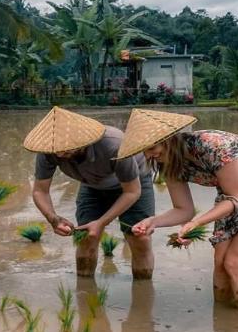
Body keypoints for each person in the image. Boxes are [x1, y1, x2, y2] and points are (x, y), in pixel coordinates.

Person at [121, 109, 238, 310]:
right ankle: (223, 328)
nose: (149, 155)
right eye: (143, 150)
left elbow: (236, 197)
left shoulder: (212, 145)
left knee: (236, 262)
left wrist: (197, 222)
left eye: (151, 147)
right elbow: (183, 210)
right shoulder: (168, 162)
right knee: (220, 260)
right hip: (231, 193)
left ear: (169, 139)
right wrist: (153, 221)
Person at [24, 106, 155, 279]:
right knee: (86, 237)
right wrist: (53, 219)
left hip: (134, 183)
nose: (61, 153)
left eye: (67, 147)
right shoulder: (49, 151)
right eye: (57, 149)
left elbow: (132, 191)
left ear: (83, 139)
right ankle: (85, 293)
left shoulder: (113, 144)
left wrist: (101, 222)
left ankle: (143, 294)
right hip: (93, 185)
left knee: (140, 239)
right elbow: (40, 191)